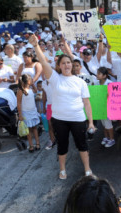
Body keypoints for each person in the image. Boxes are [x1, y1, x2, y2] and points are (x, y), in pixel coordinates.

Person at [29, 35, 95, 180]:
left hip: (78, 119)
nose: (66, 65)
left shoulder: (80, 82)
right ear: (59, 66)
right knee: (62, 146)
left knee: (82, 145)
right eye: (63, 63)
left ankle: (87, 169)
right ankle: (63, 169)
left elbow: (87, 103)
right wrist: (36, 46)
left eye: (68, 63)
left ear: (72, 64)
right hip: (59, 120)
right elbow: (43, 62)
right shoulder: (55, 78)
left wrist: (90, 122)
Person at [17, 74, 41, 152]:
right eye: (31, 79)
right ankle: (31, 145)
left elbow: (36, 91)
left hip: (33, 111)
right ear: (27, 81)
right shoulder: (20, 91)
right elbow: (19, 103)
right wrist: (20, 115)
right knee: (28, 130)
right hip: (26, 112)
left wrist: (33, 84)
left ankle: (37, 143)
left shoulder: (31, 89)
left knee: (34, 128)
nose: (32, 80)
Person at [95, 67, 115, 148]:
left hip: (108, 108)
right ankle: (106, 137)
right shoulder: (96, 83)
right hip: (100, 107)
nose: (97, 75)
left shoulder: (110, 83)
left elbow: (114, 95)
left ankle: (112, 139)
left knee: (108, 124)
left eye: (99, 73)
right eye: (97, 73)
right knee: (103, 123)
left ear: (104, 75)